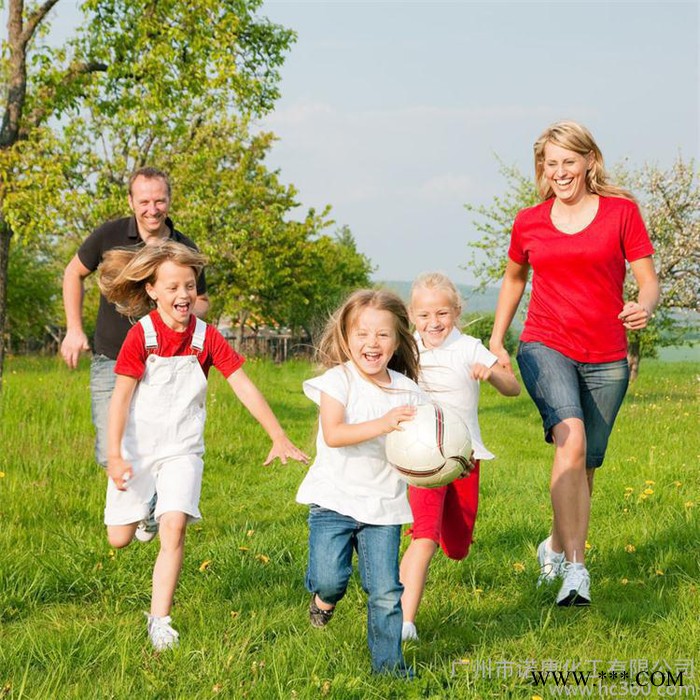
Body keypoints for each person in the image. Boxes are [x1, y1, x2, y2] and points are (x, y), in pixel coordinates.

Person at [99, 241, 308, 651]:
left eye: (189, 286)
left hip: (183, 449)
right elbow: (120, 399)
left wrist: (277, 434)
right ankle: (147, 513)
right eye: (173, 287)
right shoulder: (141, 337)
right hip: (139, 449)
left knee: (175, 528)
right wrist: (114, 455)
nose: (183, 295)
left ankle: (160, 620)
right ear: (153, 290)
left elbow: (243, 385)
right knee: (118, 538)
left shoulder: (207, 338)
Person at [489, 120, 659, 607]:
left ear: (588, 162)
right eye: (550, 163)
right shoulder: (529, 221)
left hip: (606, 355)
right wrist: (498, 339)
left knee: (583, 465)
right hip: (545, 344)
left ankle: (555, 544)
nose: (559, 172)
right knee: (572, 437)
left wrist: (643, 306)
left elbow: (647, 279)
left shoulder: (621, 213)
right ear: (542, 168)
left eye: (568, 161)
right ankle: (576, 572)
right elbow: (514, 280)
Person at [296, 289, 427, 677]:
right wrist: (385, 422)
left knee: (386, 592)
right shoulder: (338, 381)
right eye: (362, 334)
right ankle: (323, 600)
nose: (372, 343)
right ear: (346, 337)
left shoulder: (407, 390)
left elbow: (429, 439)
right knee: (330, 578)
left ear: (398, 340)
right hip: (333, 500)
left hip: (384, 505)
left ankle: (389, 670)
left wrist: (450, 462)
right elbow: (334, 433)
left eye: (383, 335)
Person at [60, 167, 209, 471]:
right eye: (144, 202)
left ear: (169, 200)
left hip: (163, 365)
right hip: (112, 360)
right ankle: (136, 515)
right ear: (130, 201)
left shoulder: (184, 247)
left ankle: (150, 520)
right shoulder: (109, 236)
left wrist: (178, 309)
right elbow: (73, 273)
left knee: (159, 449)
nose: (152, 210)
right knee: (110, 453)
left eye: (159, 201)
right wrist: (74, 329)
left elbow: (202, 302)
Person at [399, 272, 520, 641]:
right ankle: (402, 623)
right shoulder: (407, 350)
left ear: (455, 312)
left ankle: (441, 541)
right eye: (423, 315)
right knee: (424, 537)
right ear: (411, 315)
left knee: (457, 545)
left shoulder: (469, 347)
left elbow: (513, 388)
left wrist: (492, 375)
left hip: (464, 460)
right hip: (420, 459)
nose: (433, 323)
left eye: (441, 314)